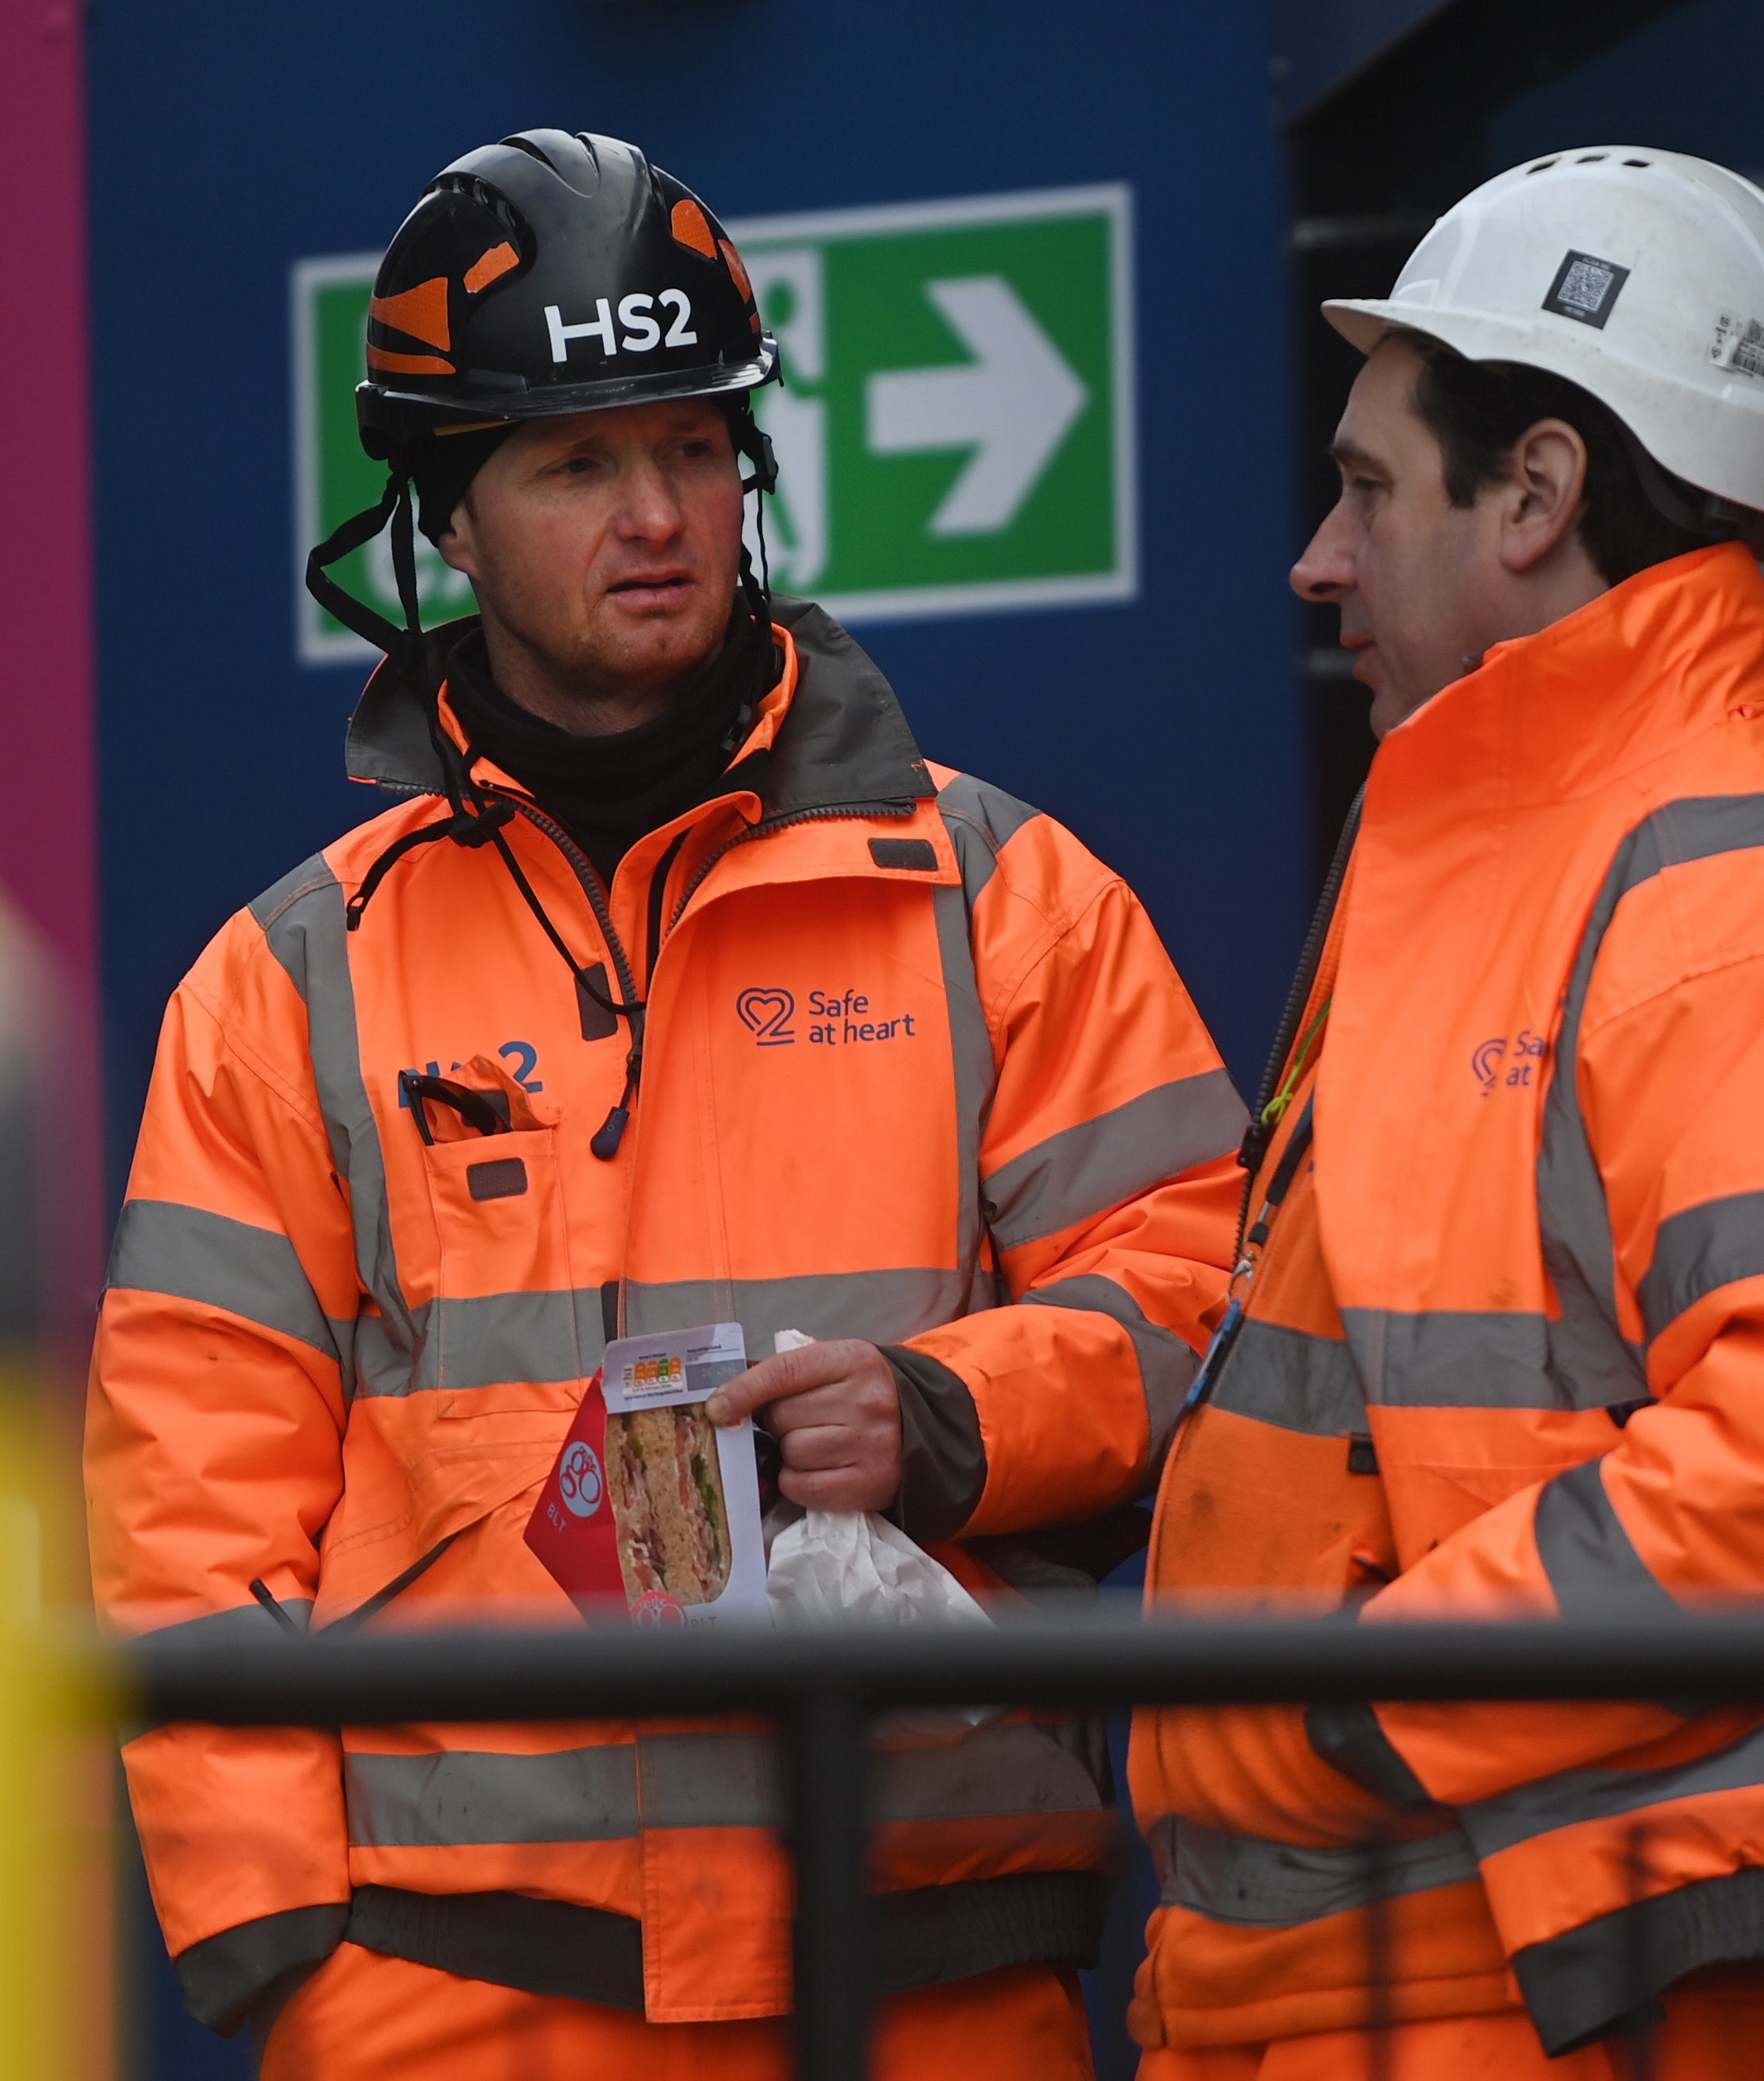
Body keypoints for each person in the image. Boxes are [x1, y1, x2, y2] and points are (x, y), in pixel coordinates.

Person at [87, 128, 1246, 2076]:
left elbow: (1209, 1316)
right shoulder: (290, 977)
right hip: (454, 2007)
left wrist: (949, 1413)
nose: (656, 513)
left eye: (694, 447)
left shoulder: (1003, 900)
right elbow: (187, 1516)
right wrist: (289, 1957)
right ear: (447, 517)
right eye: (576, 462)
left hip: (930, 1982)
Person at [1127, 148, 1764, 2079]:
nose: (1316, 558)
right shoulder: (1496, 856)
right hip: (1356, 1978)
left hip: (1573, 1990)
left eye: (1364, 485)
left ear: (1538, 492)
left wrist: (1331, 1711)